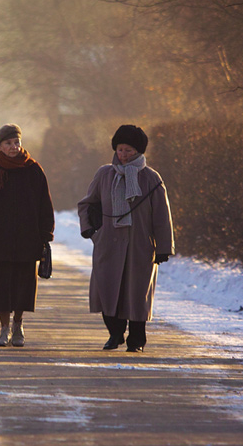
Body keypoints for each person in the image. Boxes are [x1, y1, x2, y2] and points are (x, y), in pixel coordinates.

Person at [77, 124, 174, 353]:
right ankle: (115, 334)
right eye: (120, 149)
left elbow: (162, 216)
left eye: (128, 150)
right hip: (108, 244)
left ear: (139, 151)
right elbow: (87, 204)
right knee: (107, 291)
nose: (123, 155)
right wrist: (91, 231)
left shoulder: (151, 178)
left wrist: (163, 247)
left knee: (136, 295)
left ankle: (136, 340)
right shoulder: (104, 174)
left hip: (140, 247)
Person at [0, 124, 54, 347]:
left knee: (24, 286)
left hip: (28, 240)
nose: (14, 147)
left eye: (16, 142)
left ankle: (18, 325)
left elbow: (45, 204)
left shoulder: (34, 170)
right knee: (0, 286)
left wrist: (46, 233)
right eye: (8, 143)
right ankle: (4, 328)